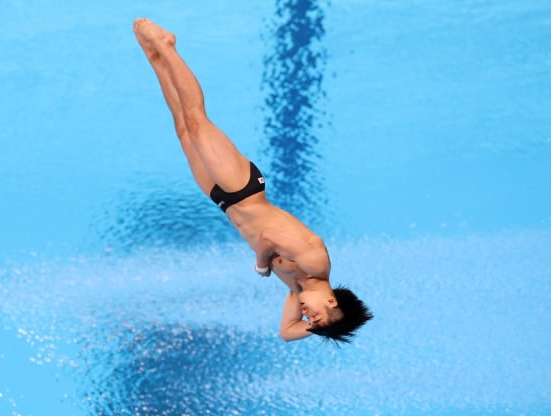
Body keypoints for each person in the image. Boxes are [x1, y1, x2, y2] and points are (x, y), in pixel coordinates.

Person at [133, 18, 372, 344]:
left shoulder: (296, 287)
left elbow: (286, 334)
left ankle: (155, 58)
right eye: (314, 315)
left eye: (309, 321)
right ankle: (167, 46)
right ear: (332, 301)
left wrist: (320, 326)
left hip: (224, 201)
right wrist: (261, 266)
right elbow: (269, 236)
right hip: (243, 189)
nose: (305, 315)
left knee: (183, 128)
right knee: (197, 119)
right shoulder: (315, 262)